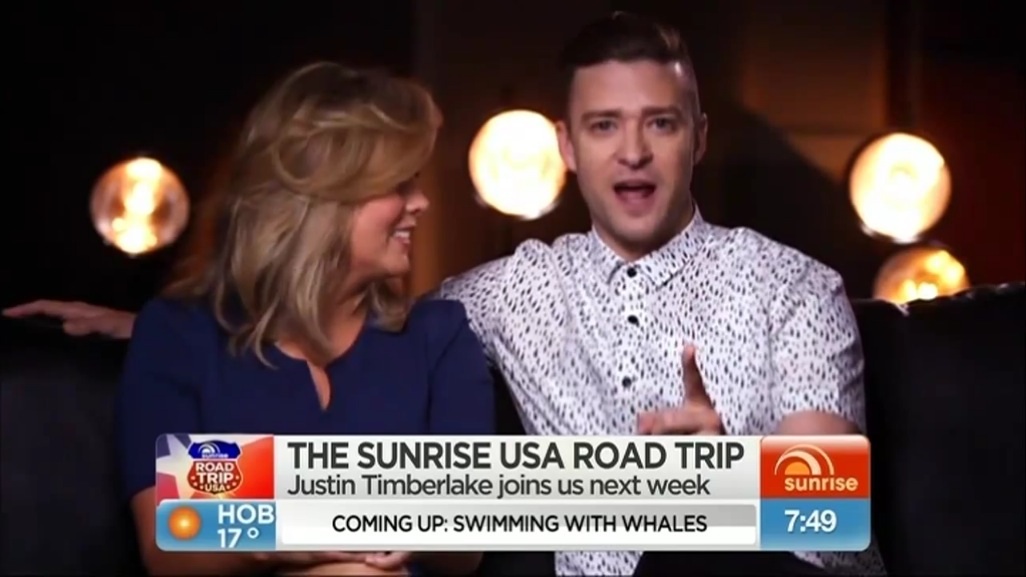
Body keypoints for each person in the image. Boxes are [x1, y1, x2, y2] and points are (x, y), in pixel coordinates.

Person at [5, 13, 886, 577]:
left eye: (660, 123)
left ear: (698, 136)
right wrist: (162, 328)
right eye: (603, 126)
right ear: (566, 147)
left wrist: (722, 478)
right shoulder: (494, 299)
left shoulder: (796, 287)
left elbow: (832, 507)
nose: (632, 152)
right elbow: (193, 500)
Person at [41, 62, 492, 576]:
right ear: (323, 198)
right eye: (398, 184)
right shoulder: (178, 333)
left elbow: (468, 536)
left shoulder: (439, 335)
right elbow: (171, 540)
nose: (421, 202)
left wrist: (250, 497)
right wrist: (345, 515)